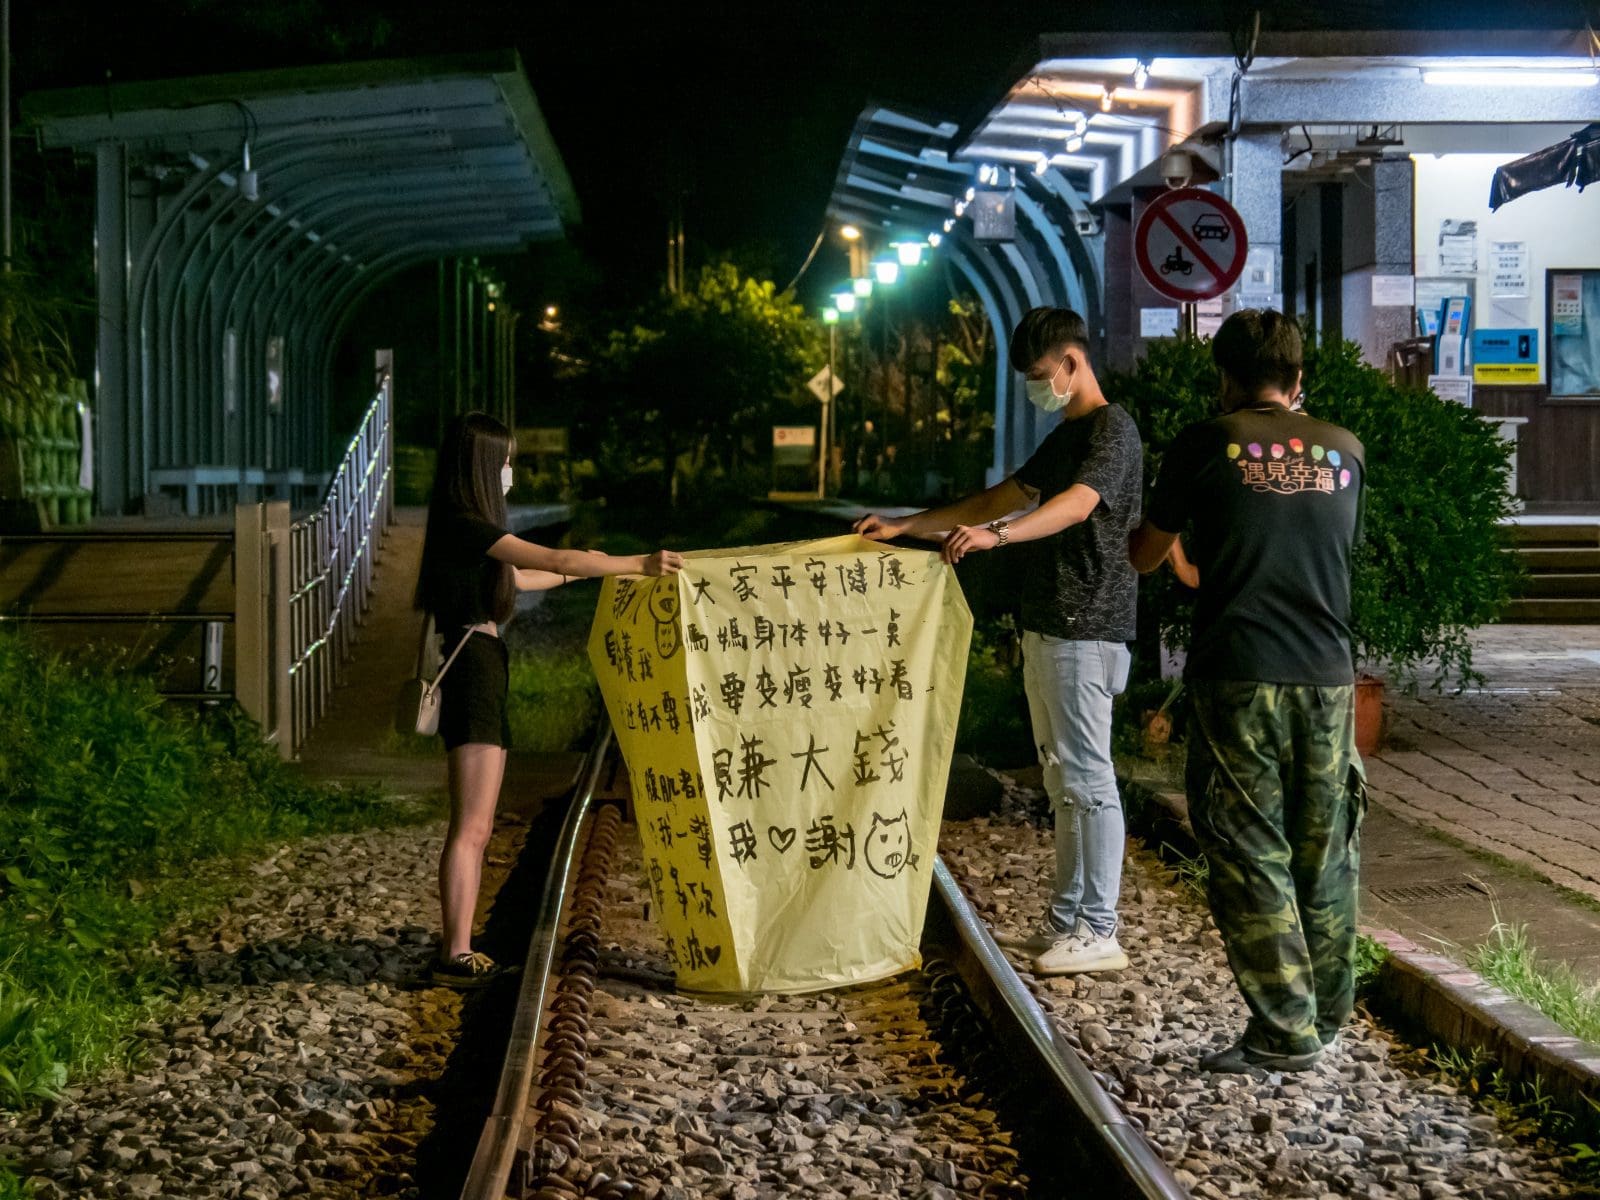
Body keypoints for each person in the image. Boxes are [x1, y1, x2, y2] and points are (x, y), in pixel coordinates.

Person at [856, 306, 1143, 976]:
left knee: (1087, 776)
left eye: (1044, 376)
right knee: (1063, 776)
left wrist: (1001, 535)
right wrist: (908, 526)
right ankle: (1069, 918)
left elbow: (1074, 504)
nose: (1039, 390)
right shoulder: (1068, 433)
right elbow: (1001, 496)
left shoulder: (1112, 431)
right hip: (1049, 624)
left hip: (1086, 625)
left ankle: (1099, 926)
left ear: (1073, 363)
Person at [1128, 309, 1367, 1073]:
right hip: (1329, 677)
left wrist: (1173, 552)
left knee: (1249, 847)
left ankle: (1283, 1031)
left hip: (1239, 673)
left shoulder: (1206, 443)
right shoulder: (1347, 452)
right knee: (1325, 848)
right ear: (1298, 381)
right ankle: (1326, 1018)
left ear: (1224, 380)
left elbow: (1144, 555)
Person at [415, 412, 682, 987]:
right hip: (473, 673)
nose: (511, 470)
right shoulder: (465, 522)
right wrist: (638, 564)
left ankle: (457, 945)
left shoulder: (464, 529)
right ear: (484, 466)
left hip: (482, 667)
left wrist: (591, 574)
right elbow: (552, 558)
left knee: (477, 825)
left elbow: (529, 578)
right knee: (471, 826)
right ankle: (455, 952)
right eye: (506, 461)